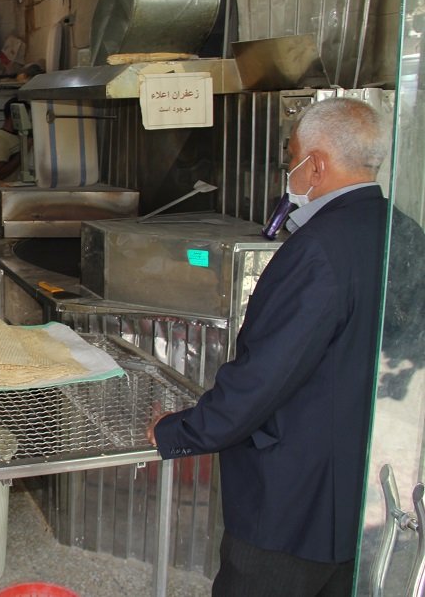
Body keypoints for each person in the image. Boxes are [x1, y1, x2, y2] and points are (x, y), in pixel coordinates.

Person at [146, 97, 391, 597]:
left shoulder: (317, 249)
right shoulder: (401, 232)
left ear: (316, 165)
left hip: (292, 509)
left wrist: (176, 431)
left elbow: (264, 378)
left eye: (292, 160)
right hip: (365, 500)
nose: (290, 173)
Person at [0, 97, 25, 184]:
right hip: (7, 190)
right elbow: (1, 174)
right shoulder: (0, 138)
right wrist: (24, 151)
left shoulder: (20, 136)